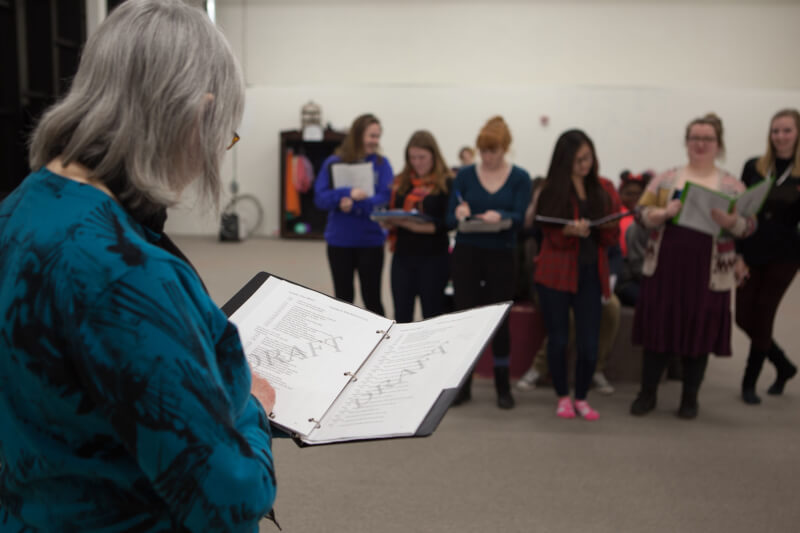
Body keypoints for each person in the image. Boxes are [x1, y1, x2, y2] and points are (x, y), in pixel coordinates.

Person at [0, 1, 278, 531]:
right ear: (197, 113)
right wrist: (251, 407)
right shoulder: (124, 272)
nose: (213, 155)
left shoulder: (20, 209)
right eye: (224, 133)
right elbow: (229, 497)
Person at [631, 113, 756, 419]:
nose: (700, 144)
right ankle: (647, 394)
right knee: (659, 330)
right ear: (686, 142)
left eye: (707, 139)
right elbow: (640, 213)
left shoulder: (731, 185)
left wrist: (732, 222)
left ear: (718, 144)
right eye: (695, 138)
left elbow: (748, 227)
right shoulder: (666, 178)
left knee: (698, 333)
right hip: (666, 266)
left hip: (708, 272)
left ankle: (690, 398)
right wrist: (661, 214)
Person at [533, 130, 621, 420]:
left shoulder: (602, 188)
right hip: (556, 273)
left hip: (590, 272)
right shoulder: (551, 190)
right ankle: (562, 396)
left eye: (588, 157)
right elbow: (546, 231)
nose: (585, 164)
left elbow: (611, 235)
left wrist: (602, 228)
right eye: (578, 159)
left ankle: (582, 397)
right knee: (558, 339)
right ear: (564, 160)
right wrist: (568, 231)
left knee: (589, 341)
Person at [447, 116, 532, 409]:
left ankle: (502, 385)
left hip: (502, 253)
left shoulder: (520, 177)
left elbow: (521, 218)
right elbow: (448, 218)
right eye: (483, 151)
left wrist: (504, 216)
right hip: (468, 253)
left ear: (504, 148)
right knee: (465, 319)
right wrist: (459, 212)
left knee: (499, 320)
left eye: (493, 151)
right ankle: (463, 385)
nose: (487, 157)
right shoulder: (465, 176)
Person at [735, 108, 800, 404]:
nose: (780, 136)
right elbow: (738, 211)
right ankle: (784, 365)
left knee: (763, 314)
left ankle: (749, 382)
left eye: (787, 130)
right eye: (776, 131)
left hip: (785, 255)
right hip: (751, 248)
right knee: (743, 317)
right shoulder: (754, 167)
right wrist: (737, 254)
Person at [314, 113, 393, 315]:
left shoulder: (382, 164)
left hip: (371, 241)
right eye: (371, 136)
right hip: (340, 241)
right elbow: (320, 198)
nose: (375, 141)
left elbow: (386, 197)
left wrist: (358, 203)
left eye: (377, 136)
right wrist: (345, 195)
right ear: (357, 136)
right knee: (342, 299)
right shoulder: (333, 162)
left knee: (372, 299)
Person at [386, 130, 453, 322]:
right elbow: (392, 210)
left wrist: (411, 225)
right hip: (403, 257)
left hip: (433, 258)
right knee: (401, 317)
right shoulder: (402, 182)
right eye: (412, 157)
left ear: (434, 155)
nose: (417, 162)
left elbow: (446, 223)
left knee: (432, 317)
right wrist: (387, 218)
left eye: (422, 157)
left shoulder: (446, 182)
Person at [614, 170, 653, 307]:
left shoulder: (652, 219)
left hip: (646, 273)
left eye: (639, 194)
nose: (634, 198)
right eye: (629, 193)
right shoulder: (614, 217)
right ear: (619, 194)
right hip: (625, 277)